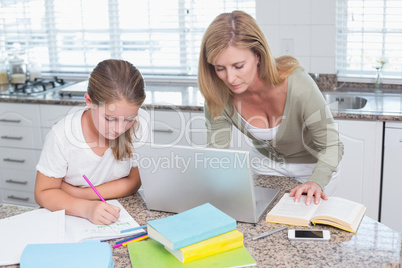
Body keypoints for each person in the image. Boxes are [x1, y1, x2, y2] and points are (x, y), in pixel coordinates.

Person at [198, 10, 344, 206]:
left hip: (314, 167)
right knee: (263, 225)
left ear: (258, 56)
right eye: (220, 68)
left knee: (303, 226)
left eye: (238, 66)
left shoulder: (297, 85)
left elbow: (332, 145)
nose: (230, 79)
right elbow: (217, 152)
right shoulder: (218, 94)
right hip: (266, 165)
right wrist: (211, 186)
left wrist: (315, 182)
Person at [35, 59, 149, 224]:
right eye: (109, 119)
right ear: (89, 101)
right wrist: (86, 208)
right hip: (71, 217)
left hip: (117, 214)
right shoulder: (63, 135)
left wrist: (82, 194)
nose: (119, 128)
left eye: (129, 119)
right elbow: (43, 192)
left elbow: (134, 181)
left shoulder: (140, 123)